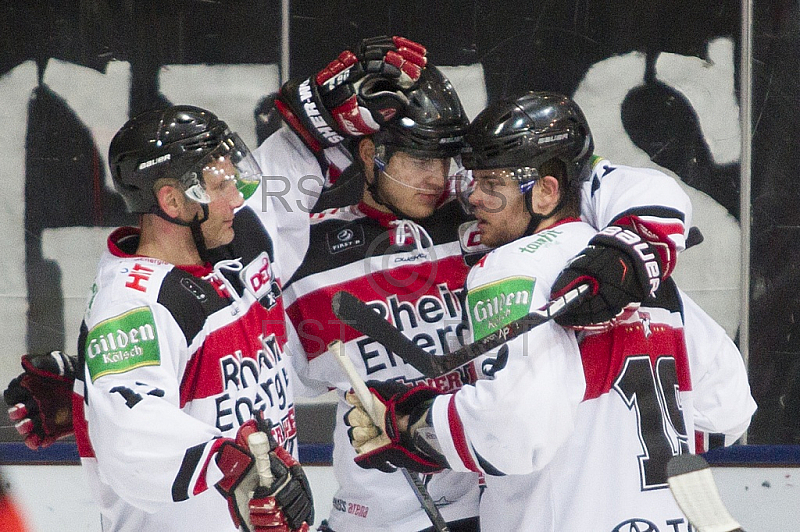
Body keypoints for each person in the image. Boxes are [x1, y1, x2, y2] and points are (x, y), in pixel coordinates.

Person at [6, 37, 705, 532]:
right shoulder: (304, 244)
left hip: (491, 506)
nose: (445, 179)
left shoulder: (489, 229)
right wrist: (94, 389)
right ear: (370, 154)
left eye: (451, 160)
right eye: (420, 160)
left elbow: (624, 184)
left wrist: (635, 248)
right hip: (364, 517)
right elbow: (226, 355)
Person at [343, 92, 756, 531]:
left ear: (546, 191)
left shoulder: (509, 266)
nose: (474, 199)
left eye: (492, 185)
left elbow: (515, 432)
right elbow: (727, 407)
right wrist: (611, 450)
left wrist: (412, 426)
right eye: (474, 183)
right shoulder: (647, 279)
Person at [70, 105, 314, 532]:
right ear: (171, 200)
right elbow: (128, 433)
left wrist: (322, 111)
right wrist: (229, 463)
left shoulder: (238, 239)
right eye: (221, 185)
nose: (237, 197)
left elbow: (290, 172)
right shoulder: (133, 304)